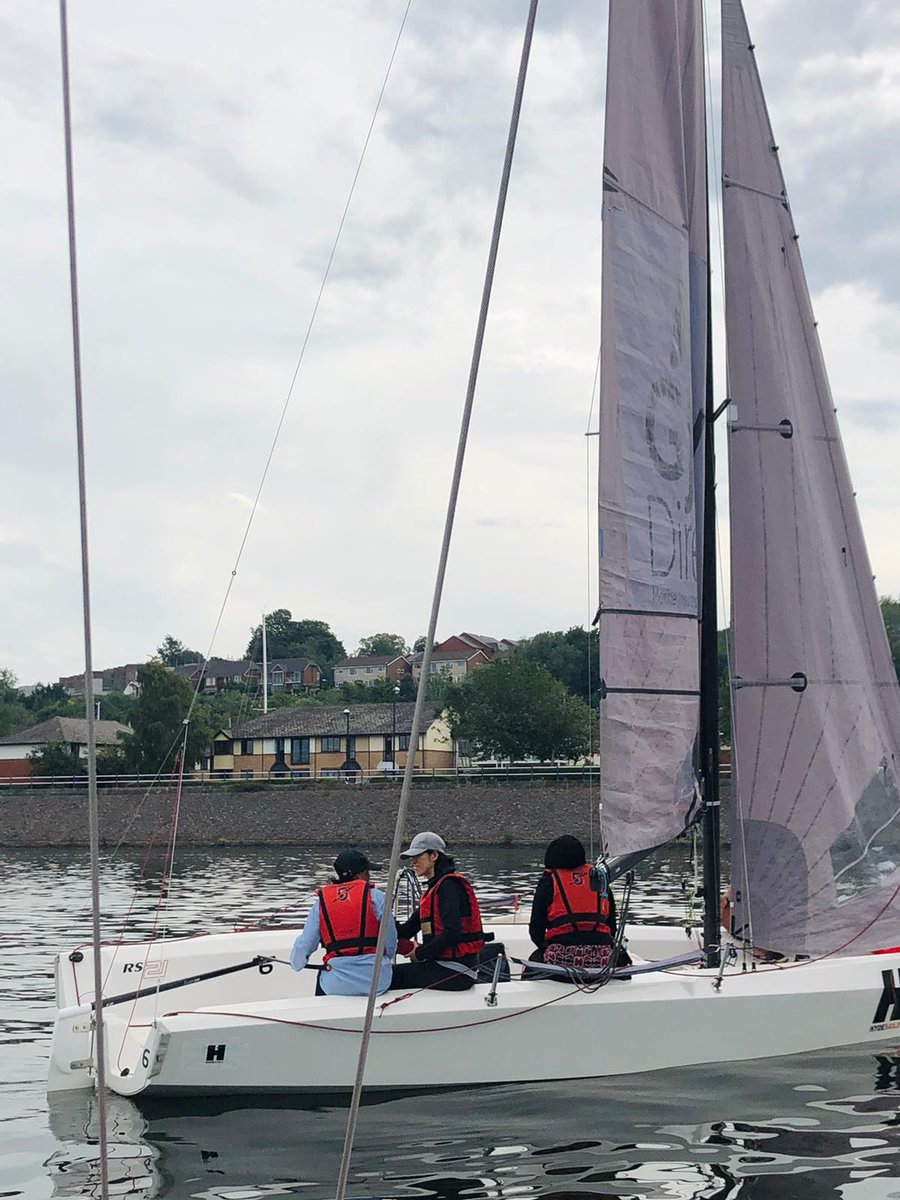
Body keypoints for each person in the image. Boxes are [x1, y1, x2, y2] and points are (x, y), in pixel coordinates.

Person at [290, 849, 396, 996]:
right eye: (367, 872)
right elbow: (390, 943)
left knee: (323, 976)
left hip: (335, 986)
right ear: (359, 874)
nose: (369, 876)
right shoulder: (377, 898)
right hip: (376, 983)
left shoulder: (321, 903)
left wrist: (296, 964)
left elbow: (305, 944)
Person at [390, 832, 485, 992]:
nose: (413, 861)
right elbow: (407, 930)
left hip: (458, 972)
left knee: (389, 977)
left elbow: (452, 933)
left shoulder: (449, 887)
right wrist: (381, 920)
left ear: (434, 855)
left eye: (418, 856)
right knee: (387, 974)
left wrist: (420, 953)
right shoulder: (435, 890)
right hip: (442, 965)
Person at [526, 835, 619, 979]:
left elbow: (536, 930)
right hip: (602, 958)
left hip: (560, 959)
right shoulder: (599, 878)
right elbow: (612, 927)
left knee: (529, 967)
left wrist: (545, 947)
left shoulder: (549, 881)